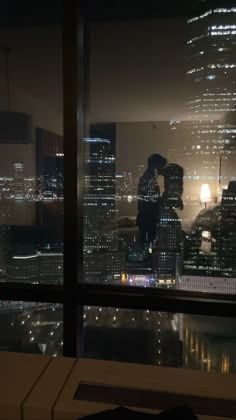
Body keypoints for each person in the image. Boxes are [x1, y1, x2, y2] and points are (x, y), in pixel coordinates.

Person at [137, 154, 167, 243]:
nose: (163, 168)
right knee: (149, 243)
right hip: (148, 218)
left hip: (146, 217)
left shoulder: (149, 177)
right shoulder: (149, 179)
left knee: (147, 243)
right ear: (156, 165)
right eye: (162, 165)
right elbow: (151, 199)